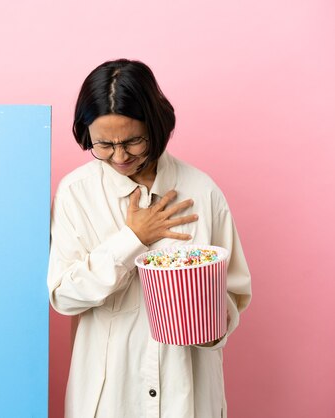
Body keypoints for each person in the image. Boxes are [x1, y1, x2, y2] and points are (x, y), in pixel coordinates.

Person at [47, 59, 252, 418]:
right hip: (111, 398)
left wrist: (212, 329)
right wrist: (132, 240)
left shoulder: (202, 192)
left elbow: (234, 291)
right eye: (104, 145)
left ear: (155, 127)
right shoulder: (76, 193)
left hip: (186, 395)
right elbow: (63, 294)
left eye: (133, 141)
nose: (120, 156)